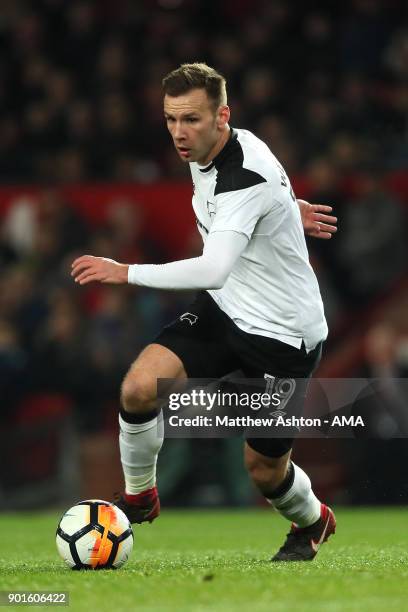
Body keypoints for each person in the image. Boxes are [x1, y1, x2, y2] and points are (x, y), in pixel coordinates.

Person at [71, 63, 338, 561]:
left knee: (263, 471)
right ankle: (139, 498)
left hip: (282, 336)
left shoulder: (242, 177)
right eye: (171, 119)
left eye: (190, 119)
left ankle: (313, 519)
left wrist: (124, 270)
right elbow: (261, 198)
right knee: (138, 387)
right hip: (228, 307)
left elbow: (213, 268)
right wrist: (284, 208)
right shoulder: (220, 146)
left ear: (222, 116)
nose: (178, 132)